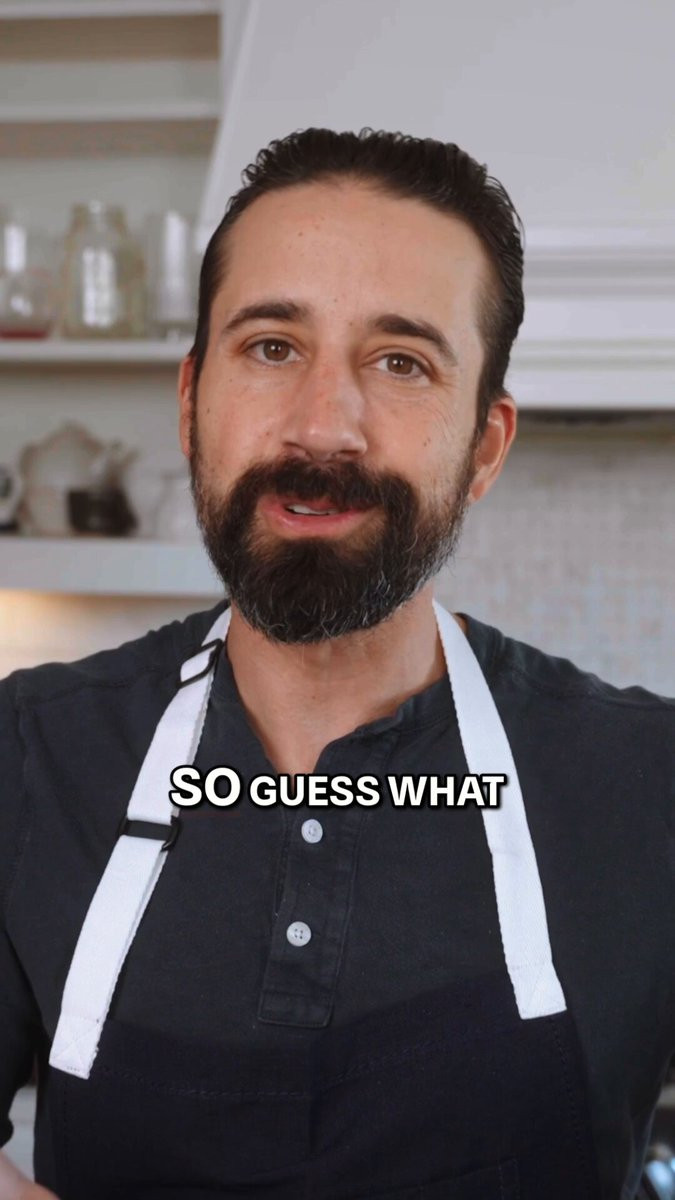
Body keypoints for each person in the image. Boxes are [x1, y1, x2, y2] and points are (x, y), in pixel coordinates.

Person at [1, 127, 673, 1200]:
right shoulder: (33, 755)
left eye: (401, 362)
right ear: (190, 403)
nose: (324, 427)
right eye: (273, 347)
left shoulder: (646, 784)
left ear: (485, 446)